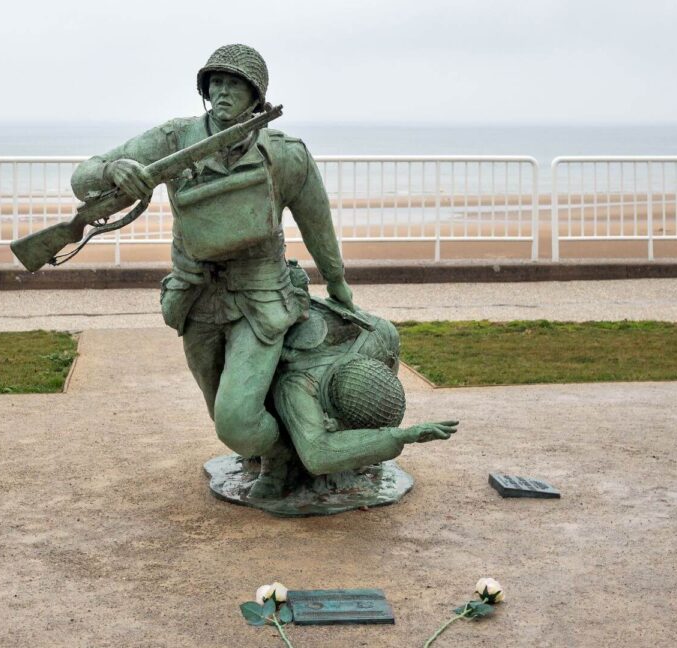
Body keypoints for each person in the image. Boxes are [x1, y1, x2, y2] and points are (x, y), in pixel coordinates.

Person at [70, 44, 353, 476]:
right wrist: (113, 171)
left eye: (234, 85)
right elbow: (84, 176)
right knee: (217, 406)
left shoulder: (286, 153)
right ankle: (273, 450)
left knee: (236, 421)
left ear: (256, 96)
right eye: (215, 83)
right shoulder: (173, 139)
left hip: (260, 298)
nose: (222, 92)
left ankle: (282, 461)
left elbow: (318, 225)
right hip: (196, 297)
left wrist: (337, 283)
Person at [258, 296, 458, 497]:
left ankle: (356, 449)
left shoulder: (381, 336)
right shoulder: (297, 385)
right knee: (259, 414)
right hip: (268, 337)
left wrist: (374, 441)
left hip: (326, 338)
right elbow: (317, 454)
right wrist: (398, 436)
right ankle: (276, 460)